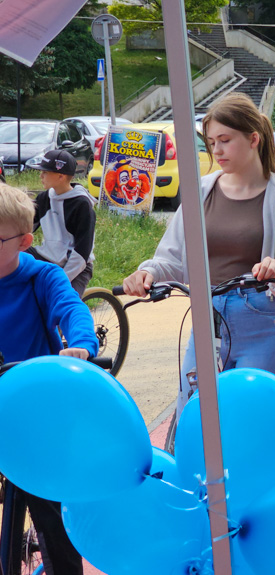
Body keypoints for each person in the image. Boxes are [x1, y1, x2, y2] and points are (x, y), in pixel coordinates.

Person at [122, 93, 275, 416]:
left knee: (251, 428)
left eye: (225, 140)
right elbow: (173, 257)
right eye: (211, 142)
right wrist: (149, 272)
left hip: (264, 325)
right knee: (195, 423)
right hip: (206, 321)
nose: (217, 150)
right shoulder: (201, 191)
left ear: (254, 139)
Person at [0, 182, 98, 575]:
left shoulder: (43, 277)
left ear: (24, 241)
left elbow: (72, 311)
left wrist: (80, 345)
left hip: (35, 404)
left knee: (51, 514)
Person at [28, 149, 97, 297]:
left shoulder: (82, 205)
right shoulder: (44, 198)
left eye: (45, 172)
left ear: (60, 176)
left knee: (63, 304)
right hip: (47, 257)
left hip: (75, 266)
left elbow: (82, 253)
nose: (41, 176)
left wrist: (60, 280)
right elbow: (25, 227)